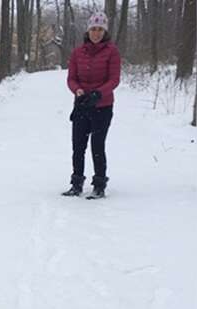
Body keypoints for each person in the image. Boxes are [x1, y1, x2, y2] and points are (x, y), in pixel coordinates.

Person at [63, 12, 121, 199]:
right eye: (93, 29)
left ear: (105, 32)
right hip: (81, 105)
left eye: (100, 29)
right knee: (78, 146)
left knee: (97, 146)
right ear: (88, 31)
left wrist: (98, 93)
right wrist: (78, 90)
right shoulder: (78, 52)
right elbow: (71, 78)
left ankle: (99, 185)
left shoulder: (112, 52)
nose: (96, 33)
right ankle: (76, 183)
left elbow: (114, 79)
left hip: (102, 106)